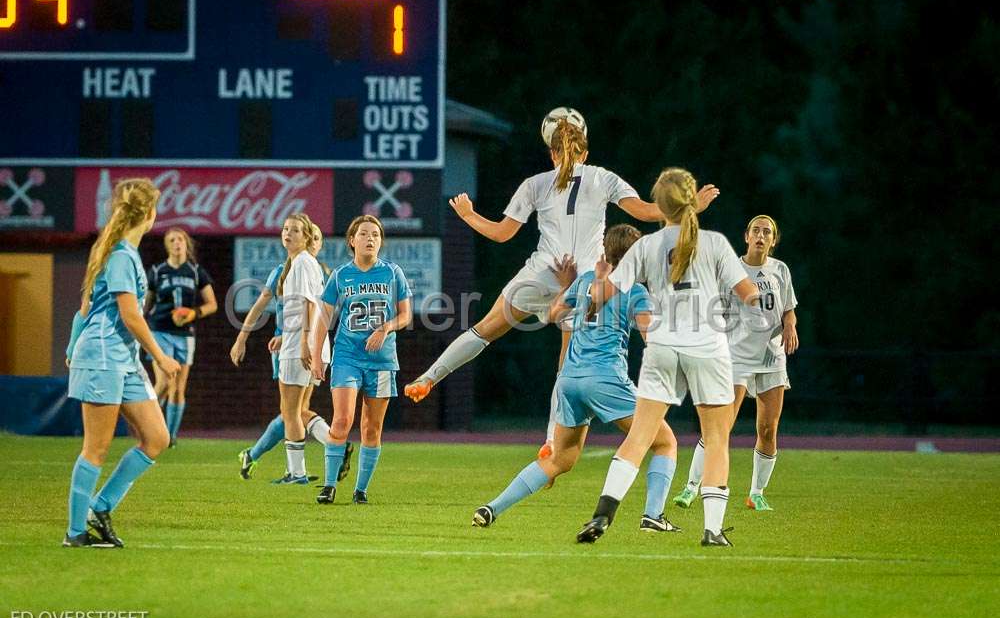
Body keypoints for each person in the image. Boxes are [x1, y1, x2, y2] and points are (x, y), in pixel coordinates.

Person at [404, 116, 717, 450]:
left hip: (542, 271)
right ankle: (552, 439)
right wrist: (690, 207)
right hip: (583, 278)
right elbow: (644, 211)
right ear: (584, 152)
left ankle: (429, 377)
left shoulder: (535, 184)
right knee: (567, 360)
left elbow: (502, 233)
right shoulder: (603, 178)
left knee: (484, 330)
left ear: (551, 153)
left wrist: (467, 215)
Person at [574, 168, 770, 548]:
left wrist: (598, 280)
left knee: (639, 437)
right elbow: (749, 294)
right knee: (716, 439)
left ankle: (603, 512)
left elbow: (601, 298)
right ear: (692, 200)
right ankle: (712, 530)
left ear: (657, 206)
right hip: (708, 349)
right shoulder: (712, 242)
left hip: (662, 348)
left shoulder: (645, 246)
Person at [472, 225, 681, 533]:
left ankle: (492, 507)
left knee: (562, 458)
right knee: (665, 442)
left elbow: (554, 314)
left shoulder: (585, 281)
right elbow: (652, 337)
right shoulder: (635, 291)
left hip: (569, 379)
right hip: (605, 378)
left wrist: (567, 287)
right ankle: (653, 515)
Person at [63, 178, 181, 547]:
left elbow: (84, 308)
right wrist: (161, 357)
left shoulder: (121, 253)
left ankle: (100, 506)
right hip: (103, 355)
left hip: (122, 358)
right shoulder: (118, 255)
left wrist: (70, 347)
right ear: (149, 214)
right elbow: (130, 316)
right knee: (96, 447)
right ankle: (75, 532)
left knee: (157, 438)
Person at [672, 215, 799, 511]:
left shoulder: (780, 270)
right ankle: (691, 487)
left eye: (767, 231)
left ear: (773, 240)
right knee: (720, 426)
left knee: (768, 429)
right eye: (756, 229)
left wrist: (790, 324)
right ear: (746, 236)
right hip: (737, 357)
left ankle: (756, 493)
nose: (761, 235)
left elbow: (789, 309)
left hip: (772, 357)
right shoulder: (732, 270)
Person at [233, 225, 350, 481]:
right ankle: (275, 460)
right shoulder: (288, 271)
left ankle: (315, 455)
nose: (314, 243)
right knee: (295, 411)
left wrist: (294, 338)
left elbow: (315, 312)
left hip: (298, 346)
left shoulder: (315, 270)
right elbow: (264, 305)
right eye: (313, 237)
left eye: (317, 238)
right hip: (298, 344)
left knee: (291, 412)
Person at [311, 215, 412, 505]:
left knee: (372, 428)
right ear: (352, 240)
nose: (370, 239)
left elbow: (405, 315)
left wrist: (385, 328)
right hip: (347, 357)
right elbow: (323, 318)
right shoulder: (341, 275)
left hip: (381, 361)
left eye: (376, 235)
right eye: (364, 233)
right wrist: (318, 354)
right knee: (342, 420)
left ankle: (361, 490)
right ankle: (329, 485)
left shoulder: (392, 273)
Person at [144, 227, 217, 447]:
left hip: (185, 334)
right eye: (172, 240)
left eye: (180, 240)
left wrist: (192, 313)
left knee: (178, 388)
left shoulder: (195, 272)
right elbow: (146, 304)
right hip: (159, 331)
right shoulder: (157, 271)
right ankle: (149, 428)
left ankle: (170, 437)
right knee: (165, 382)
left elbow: (212, 304)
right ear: (167, 245)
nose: (177, 243)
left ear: (186, 244)